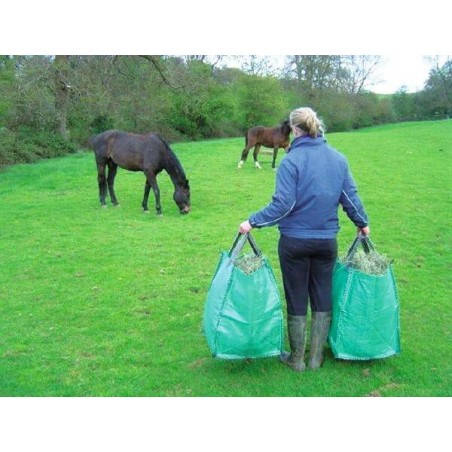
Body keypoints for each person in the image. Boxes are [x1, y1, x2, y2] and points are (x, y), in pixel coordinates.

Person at [239, 107, 370, 372]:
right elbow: (350, 198)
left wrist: (252, 221)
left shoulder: (290, 161)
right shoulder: (338, 159)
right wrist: (362, 223)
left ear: (294, 130)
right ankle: (315, 359)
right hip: (325, 242)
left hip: (294, 243)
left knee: (297, 295)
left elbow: (283, 205)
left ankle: (297, 358)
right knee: (322, 294)